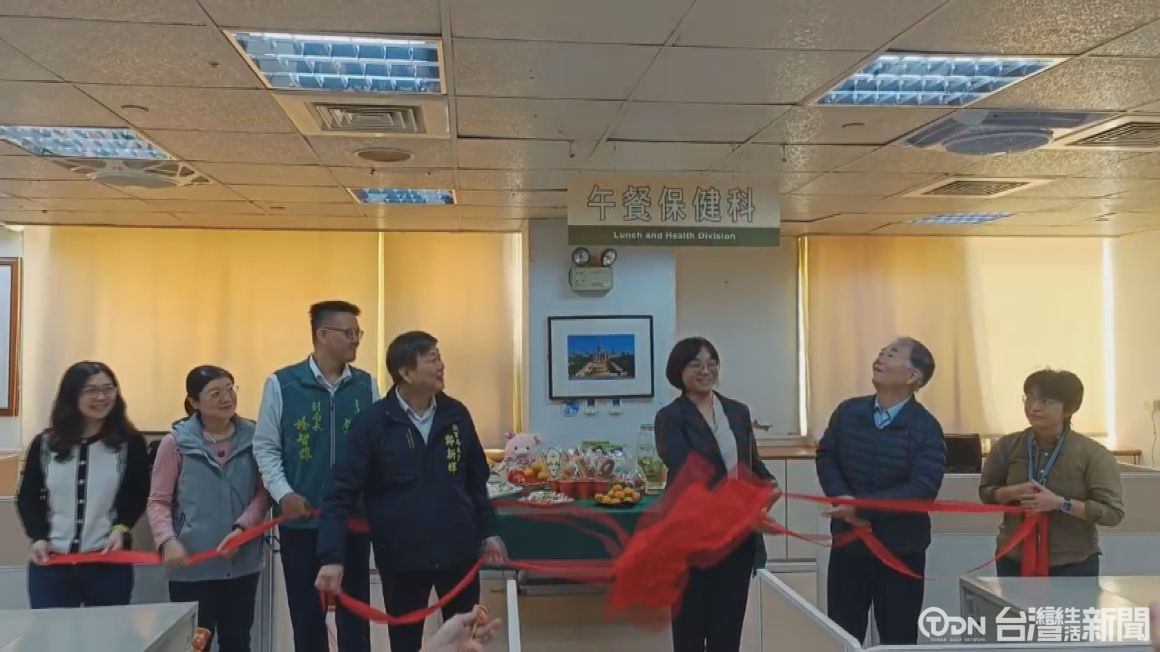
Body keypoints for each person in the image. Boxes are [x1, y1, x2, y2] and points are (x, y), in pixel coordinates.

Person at [314, 331, 506, 652]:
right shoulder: (373, 423)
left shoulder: (456, 415)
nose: (441, 366)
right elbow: (339, 493)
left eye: (439, 358)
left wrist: (489, 532)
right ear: (405, 372)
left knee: (465, 639)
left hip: (458, 553)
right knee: (405, 642)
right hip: (402, 557)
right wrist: (331, 557)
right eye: (432, 360)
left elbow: (476, 481)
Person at [253, 300, 379, 652]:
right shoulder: (282, 384)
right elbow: (266, 446)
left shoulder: (366, 385)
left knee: (356, 616)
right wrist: (284, 493)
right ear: (322, 335)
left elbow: (377, 449)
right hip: (302, 520)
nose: (356, 340)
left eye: (358, 333)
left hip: (352, 519)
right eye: (349, 333)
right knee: (307, 617)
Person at [815, 337, 945, 645]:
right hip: (849, 544)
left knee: (897, 637)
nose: (880, 358)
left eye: (892, 354)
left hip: (900, 549)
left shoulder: (926, 427)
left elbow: (923, 489)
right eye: (881, 353)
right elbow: (827, 456)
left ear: (913, 375)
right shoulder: (848, 412)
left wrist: (861, 508)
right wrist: (843, 499)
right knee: (843, 634)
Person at [653, 337, 778, 652]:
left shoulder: (737, 412)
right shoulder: (669, 418)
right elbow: (688, 473)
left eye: (711, 363)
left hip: (736, 540)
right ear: (678, 370)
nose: (705, 371)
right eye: (695, 364)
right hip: (690, 537)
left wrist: (770, 486)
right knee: (689, 633)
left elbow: (752, 464)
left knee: (727, 631)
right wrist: (740, 509)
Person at [147, 366, 271, 651]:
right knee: (194, 644)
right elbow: (158, 501)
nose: (226, 398)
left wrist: (243, 527)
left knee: (237, 641)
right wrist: (167, 540)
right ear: (194, 402)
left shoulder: (255, 437)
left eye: (230, 389)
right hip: (191, 564)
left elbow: (264, 493)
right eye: (215, 393)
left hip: (241, 564)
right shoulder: (175, 443)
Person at [15, 361, 149, 608]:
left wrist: (121, 528)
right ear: (72, 395)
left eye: (108, 389)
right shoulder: (45, 444)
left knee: (106, 631)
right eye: (91, 390)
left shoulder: (130, 443)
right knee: (52, 632)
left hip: (107, 563)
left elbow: (137, 494)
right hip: (52, 564)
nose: (102, 397)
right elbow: (27, 497)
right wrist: (38, 536)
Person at [979, 369, 1124, 577]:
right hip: (1013, 557)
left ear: (1069, 409)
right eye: (1029, 398)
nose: (1034, 407)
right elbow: (986, 493)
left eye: (1045, 402)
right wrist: (1011, 492)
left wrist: (1060, 504)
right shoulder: (1008, 446)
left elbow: (1112, 513)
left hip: (1072, 563)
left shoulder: (1092, 453)